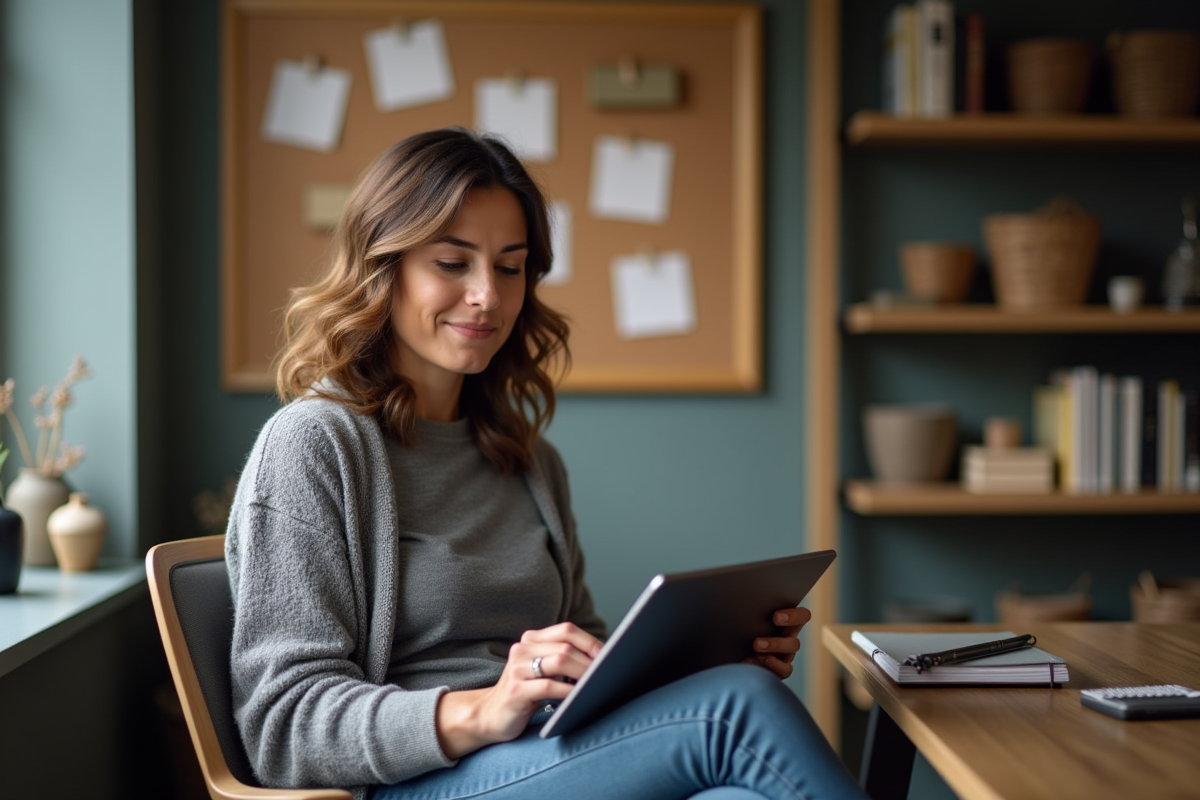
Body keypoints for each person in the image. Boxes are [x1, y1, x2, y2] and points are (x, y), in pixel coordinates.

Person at [226, 127, 867, 800]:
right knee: (732, 710)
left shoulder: (527, 461)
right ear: (382, 267)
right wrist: (479, 711)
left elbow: (586, 653)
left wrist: (698, 665)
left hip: (544, 756)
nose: (487, 296)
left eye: (510, 267)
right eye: (452, 263)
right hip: (420, 777)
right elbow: (281, 725)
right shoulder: (312, 444)